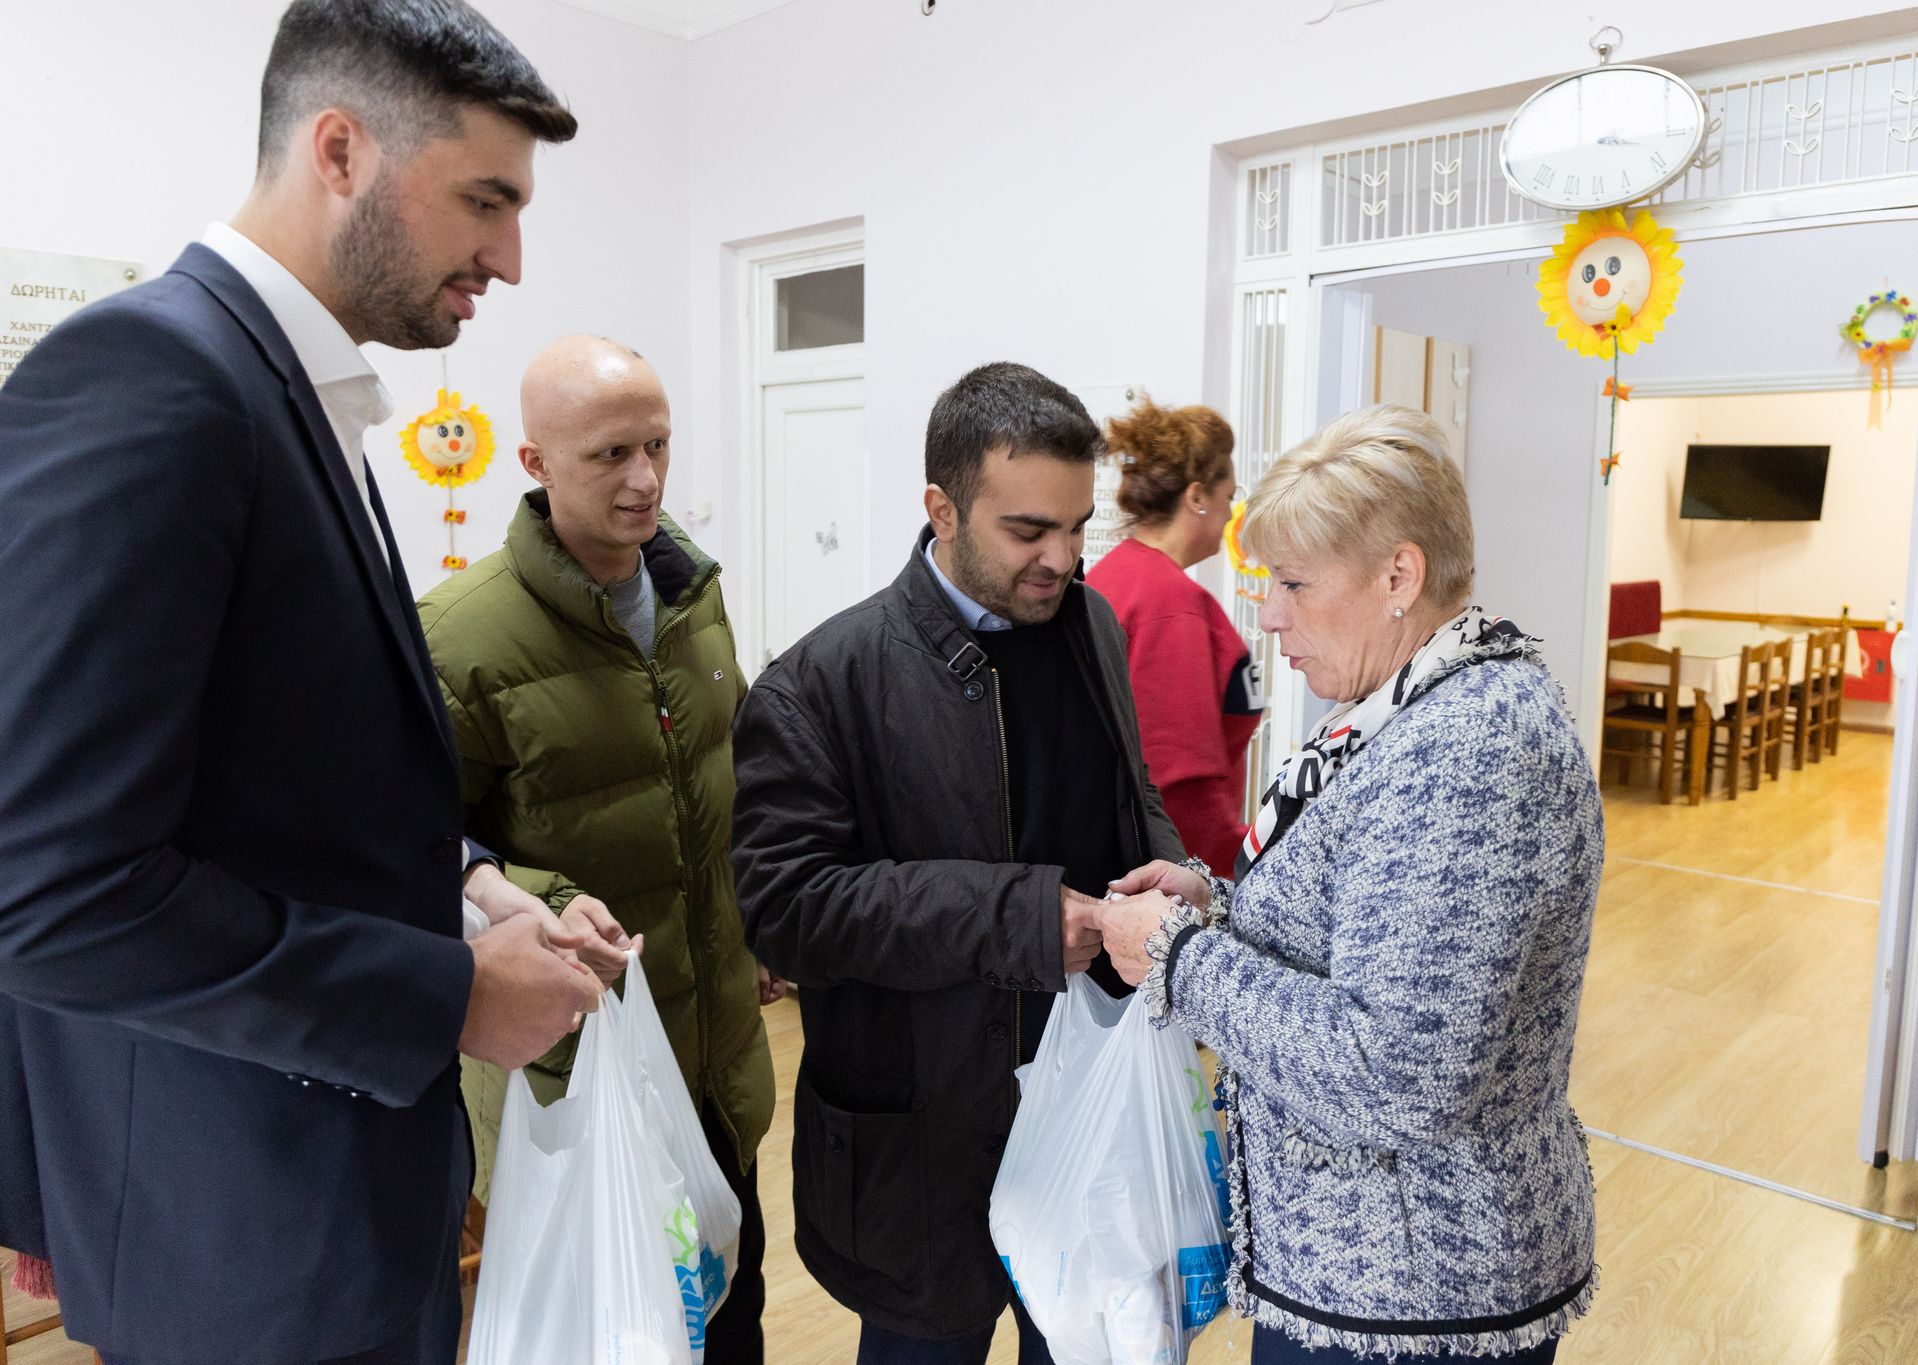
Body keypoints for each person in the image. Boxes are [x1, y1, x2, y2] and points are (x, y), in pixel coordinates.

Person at [0, 4, 602, 1362]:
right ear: (339, 149)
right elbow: (52, 889)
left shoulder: (287, 392)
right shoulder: (150, 381)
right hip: (242, 1246)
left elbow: (277, 770)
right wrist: (444, 996)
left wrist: (464, 882)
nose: (509, 257)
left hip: (339, 1212)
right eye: (485, 201)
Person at [1100, 405, 1601, 1365]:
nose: (1270, 615)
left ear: (1398, 575)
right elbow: (1370, 931)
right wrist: (1222, 907)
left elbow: (1395, 1071)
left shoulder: (1467, 752)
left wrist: (1180, 954)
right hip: (1371, 1271)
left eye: (1292, 583)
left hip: (1411, 1295)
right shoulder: (1408, 705)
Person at [731, 362, 1186, 1363]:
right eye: (1028, 531)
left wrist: (1168, 868)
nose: (1061, 559)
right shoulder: (818, 684)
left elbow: (1126, 794)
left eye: (1077, 529)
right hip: (925, 1140)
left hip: (1091, 1099)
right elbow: (788, 909)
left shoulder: (1093, 628)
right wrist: (1024, 921)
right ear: (940, 507)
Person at [417, 334, 779, 1363]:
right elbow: (406, 850)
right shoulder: (457, 638)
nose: (646, 479)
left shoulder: (691, 596)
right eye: (609, 455)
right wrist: (530, 892)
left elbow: (727, 780)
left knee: (725, 1318)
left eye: (657, 446)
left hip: (715, 1068)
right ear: (531, 465)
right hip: (571, 1082)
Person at [1089, 399, 1264, 875]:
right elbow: (1181, 786)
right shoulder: (1170, 604)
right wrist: (1234, 876)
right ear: (1197, 497)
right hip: (1181, 876)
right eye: (1228, 496)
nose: (1230, 512)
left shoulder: (1113, 576)